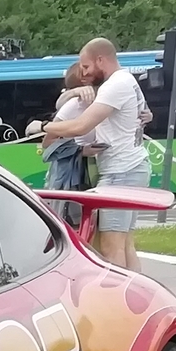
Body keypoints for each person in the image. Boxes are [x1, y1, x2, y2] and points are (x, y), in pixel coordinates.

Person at [29, 38, 150, 267]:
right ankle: (135, 297)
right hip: (132, 167)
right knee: (125, 244)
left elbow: (80, 126)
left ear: (100, 60)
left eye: (86, 66)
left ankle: (118, 299)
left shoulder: (115, 85)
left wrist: (42, 126)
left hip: (120, 172)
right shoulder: (128, 81)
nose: (83, 72)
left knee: (110, 246)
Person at [35, 61, 95, 192]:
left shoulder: (101, 102)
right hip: (74, 171)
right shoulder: (74, 104)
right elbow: (48, 142)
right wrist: (81, 150)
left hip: (94, 166)